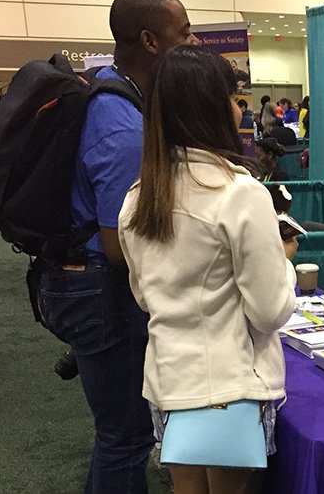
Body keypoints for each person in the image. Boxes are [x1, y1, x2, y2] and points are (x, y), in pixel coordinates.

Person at [35, 0, 198, 492]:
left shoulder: (113, 90)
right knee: (125, 437)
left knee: (118, 434)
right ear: (151, 40)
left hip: (82, 280)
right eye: (184, 31)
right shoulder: (122, 124)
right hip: (99, 287)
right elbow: (117, 244)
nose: (192, 41)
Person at [118, 44, 298, 492]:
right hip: (231, 386)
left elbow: (145, 296)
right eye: (234, 98)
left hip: (169, 381)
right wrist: (285, 263)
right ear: (212, 106)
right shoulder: (240, 192)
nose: (239, 108)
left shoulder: (138, 198)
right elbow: (270, 311)